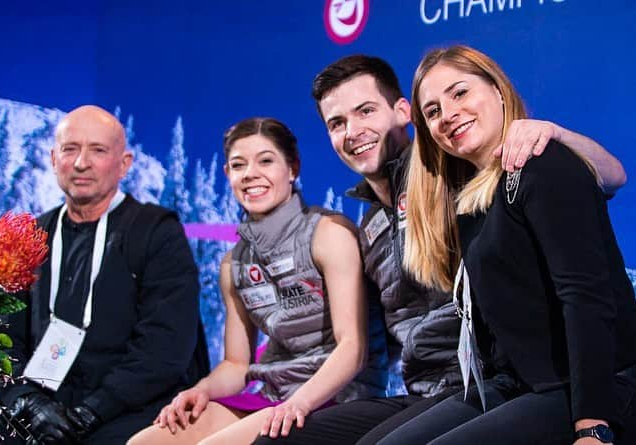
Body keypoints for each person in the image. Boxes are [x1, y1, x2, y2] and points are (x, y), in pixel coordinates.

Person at [253, 55, 627, 445]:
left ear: (403, 115)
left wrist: (553, 133)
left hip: (493, 382)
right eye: (337, 123)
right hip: (448, 389)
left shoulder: (470, 175)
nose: (354, 131)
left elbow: (609, 183)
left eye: (365, 111)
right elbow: (358, 342)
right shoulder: (384, 221)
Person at [383, 44, 636, 445]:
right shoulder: (469, 199)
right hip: (518, 384)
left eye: (459, 93)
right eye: (432, 111)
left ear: (498, 90)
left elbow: (586, 297)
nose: (447, 115)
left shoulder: (541, 164)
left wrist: (593, 425)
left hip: (594, 386)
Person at [127, 117, 388, 445]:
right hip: (273, 393)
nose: (250, 173)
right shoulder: (233, 264)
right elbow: (237, 364)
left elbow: (353, 347)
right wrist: (200, 390)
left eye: (266, 161)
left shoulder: (329, 234)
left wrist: (299, 403)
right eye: (238, 165)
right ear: (228, 175)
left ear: (292, 168)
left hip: (337, 397)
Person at [0, 105, 208, 444]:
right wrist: (27, 402)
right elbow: (3, 338)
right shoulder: (30, 237)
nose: (81, 163)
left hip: (125, 408)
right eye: (70, 149)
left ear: (124, 164)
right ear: (54, 159)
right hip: (40, 408)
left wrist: (88, 414)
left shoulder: (156, 232)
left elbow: (164, 350)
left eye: (98, 150)